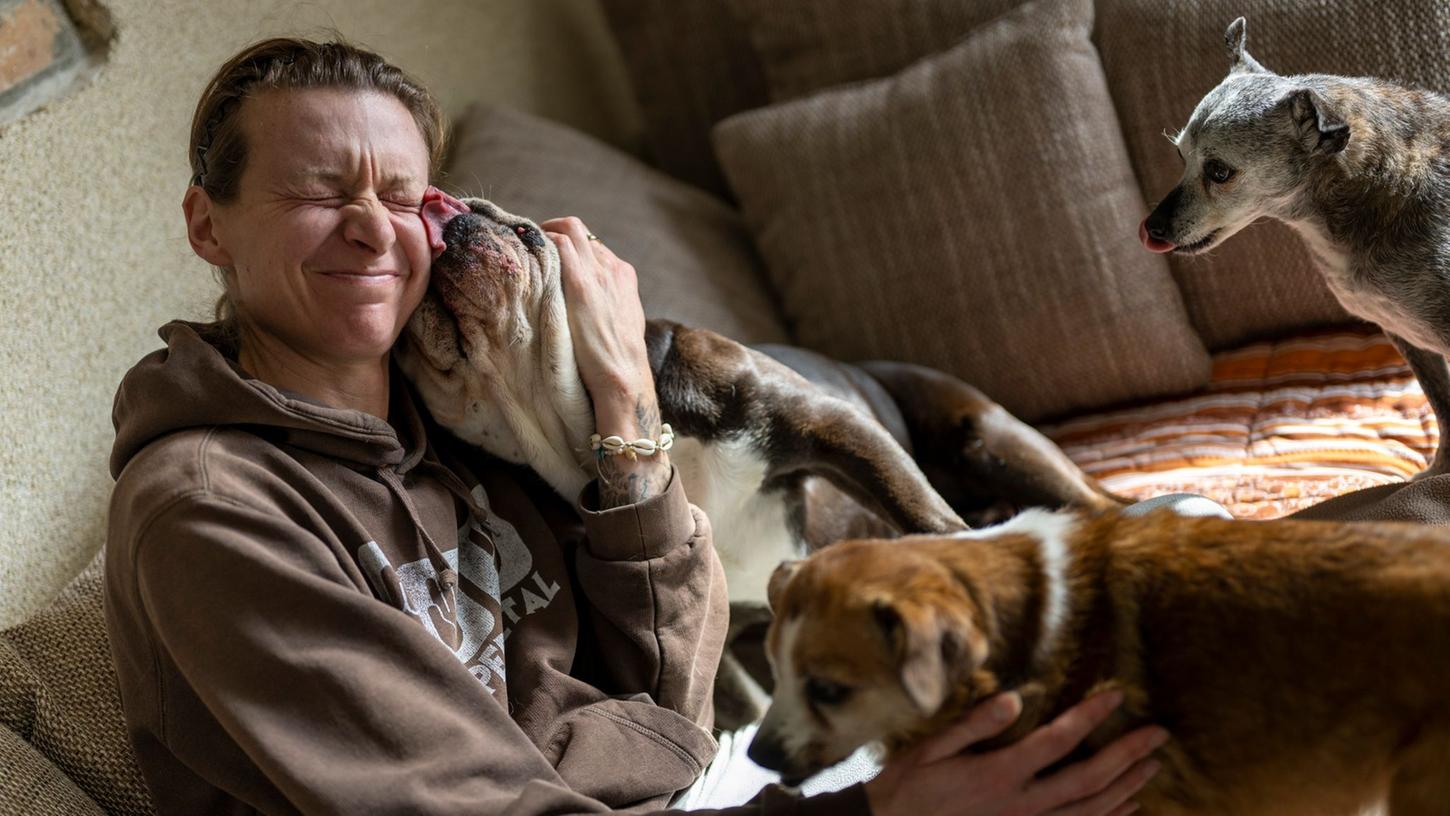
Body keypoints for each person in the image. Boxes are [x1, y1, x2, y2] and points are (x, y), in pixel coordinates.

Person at [102, 37, 1168, 816]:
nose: (373, 228)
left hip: (705, 783)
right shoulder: (212, 512)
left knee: (1156, 656)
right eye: (317, 190)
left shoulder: (455, 421)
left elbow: (670, 679)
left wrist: (623, 396)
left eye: (400, 192)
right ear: (209, 225)